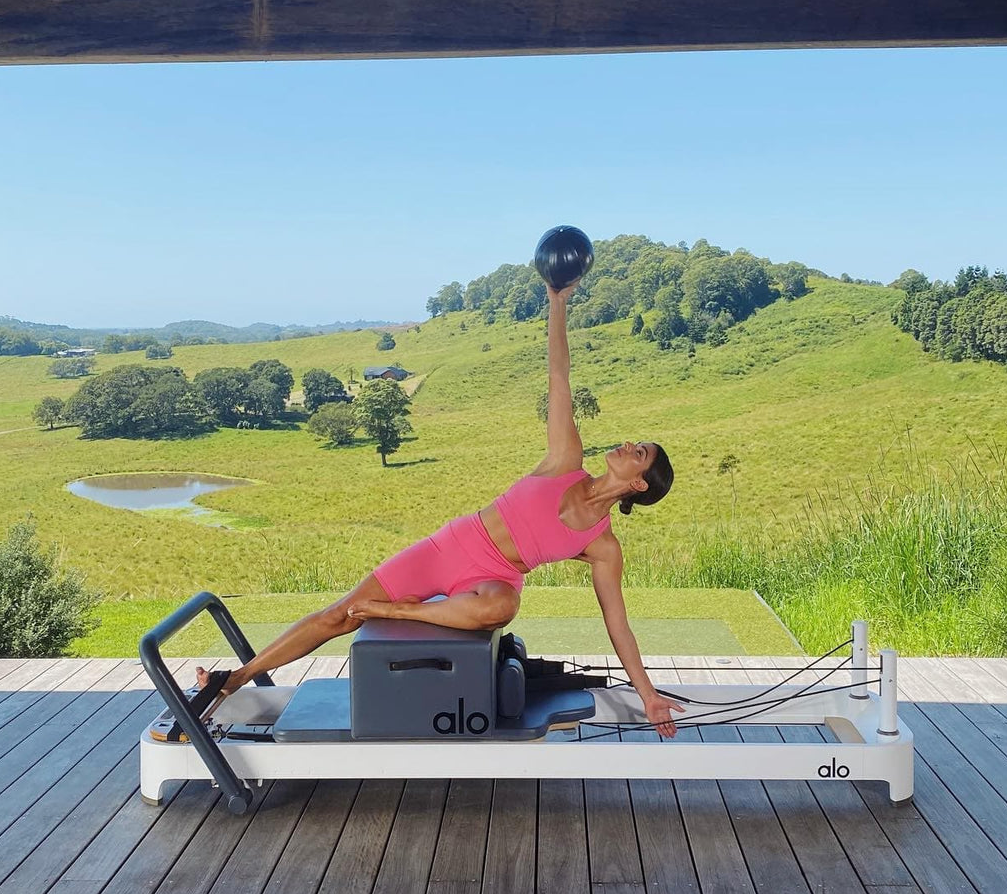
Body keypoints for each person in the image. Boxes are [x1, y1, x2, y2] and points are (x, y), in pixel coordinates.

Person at [195, 282, 683, 735]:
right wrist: (557, 302)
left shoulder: (602, 547)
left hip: (490, 582)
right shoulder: (564, 461)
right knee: (339, 615)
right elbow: (560, 378)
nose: (627, 443)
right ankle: (235, 678)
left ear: (639, 483)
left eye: (638, 450)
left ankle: (403, 611)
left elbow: (617, 623)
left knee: (504, 608)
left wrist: (648, 696)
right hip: (450, 547)